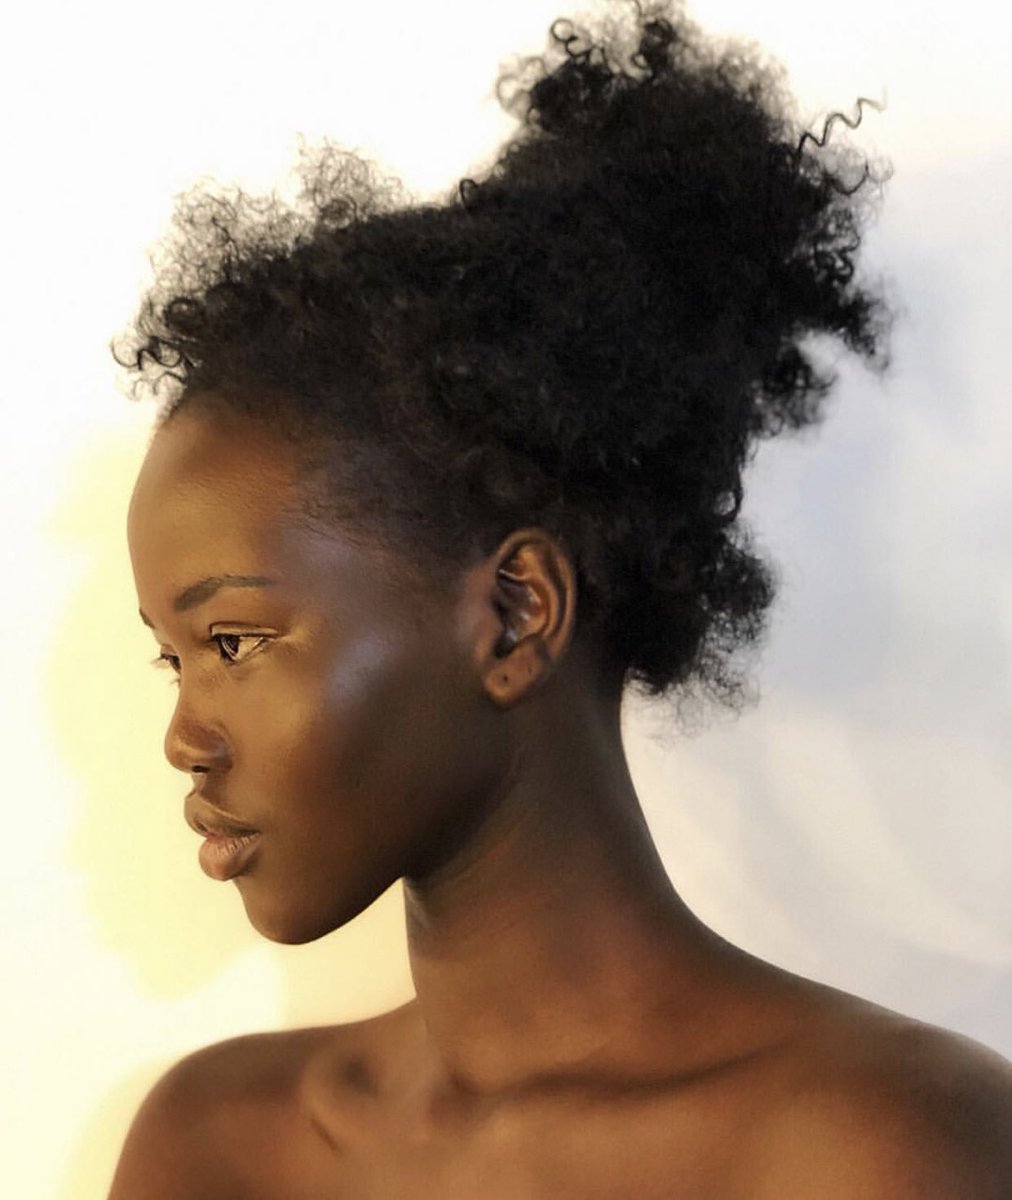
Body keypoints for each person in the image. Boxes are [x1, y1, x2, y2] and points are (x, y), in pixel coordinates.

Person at [108, 0, 1012, 1194]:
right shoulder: (215, 1147)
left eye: (232, 641)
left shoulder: (880, 1147)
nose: (183, 738)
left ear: (515, 614)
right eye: (172, 657)